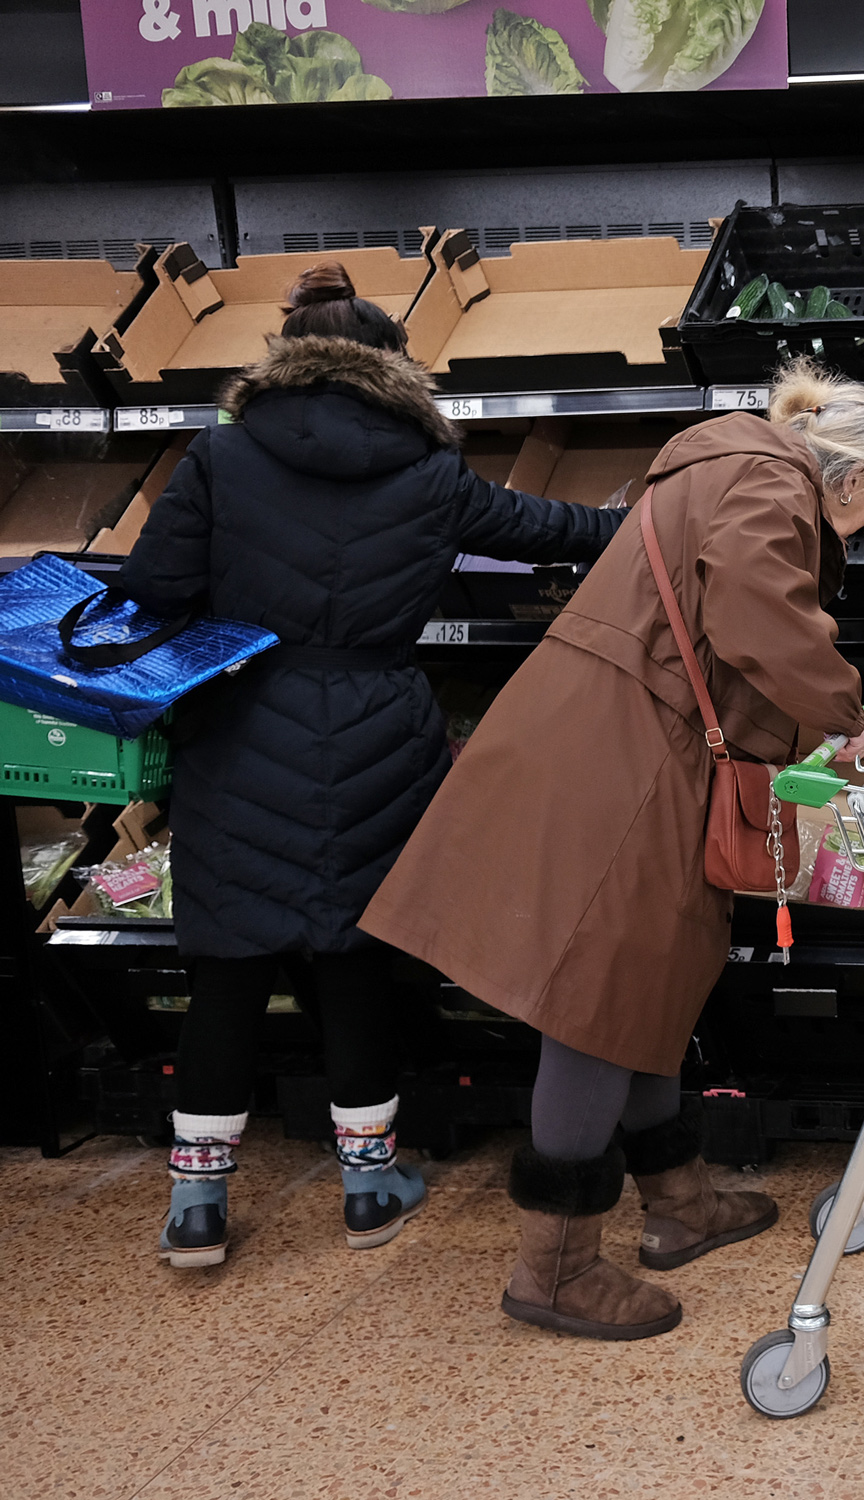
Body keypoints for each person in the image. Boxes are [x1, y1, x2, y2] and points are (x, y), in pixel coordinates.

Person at [362, 358, 864, 1340]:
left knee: (646, 978)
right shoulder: (770, 481)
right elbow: (753, 615)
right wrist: (845, 716)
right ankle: (556, 1267)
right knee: (594, 997)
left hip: (612, 741)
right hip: (623, 762)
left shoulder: (722, 463)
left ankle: (677, 1202)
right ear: (853, 479)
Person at [122, 263, 627, 1269]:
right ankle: (369, 1185)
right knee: (355, 960)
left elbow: (154, 588)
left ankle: (197, 1207)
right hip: (378, 730)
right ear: (395, 368)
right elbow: (555, 533)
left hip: (239, 726)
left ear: (283, 360)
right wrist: (654, 518)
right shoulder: (430, 473)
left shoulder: (222, 460)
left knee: (228, 967)